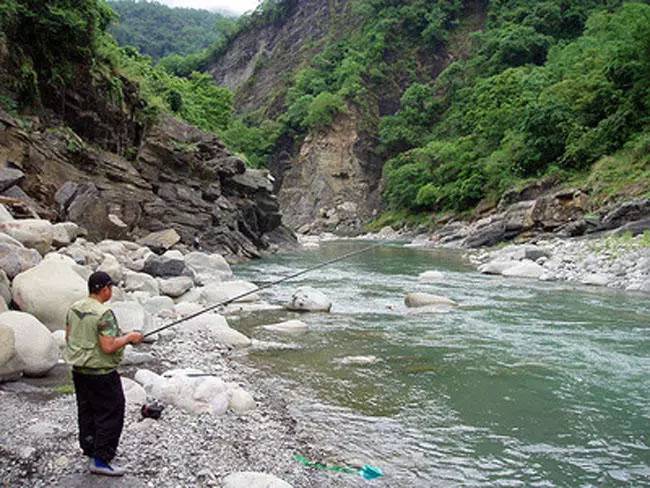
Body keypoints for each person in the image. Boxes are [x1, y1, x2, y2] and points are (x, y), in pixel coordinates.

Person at [65, 271, 144, 476]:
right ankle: (101, 460)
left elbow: (68, 336)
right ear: (105, 289)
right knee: (111, 413)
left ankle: (91, 448)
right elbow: (108, 346)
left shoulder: (74, 308)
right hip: (101, 373)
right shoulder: (103, 313)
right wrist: (129, 338)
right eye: (111, 287)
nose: (112, 291)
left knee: (87, 411)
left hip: (79, 371)